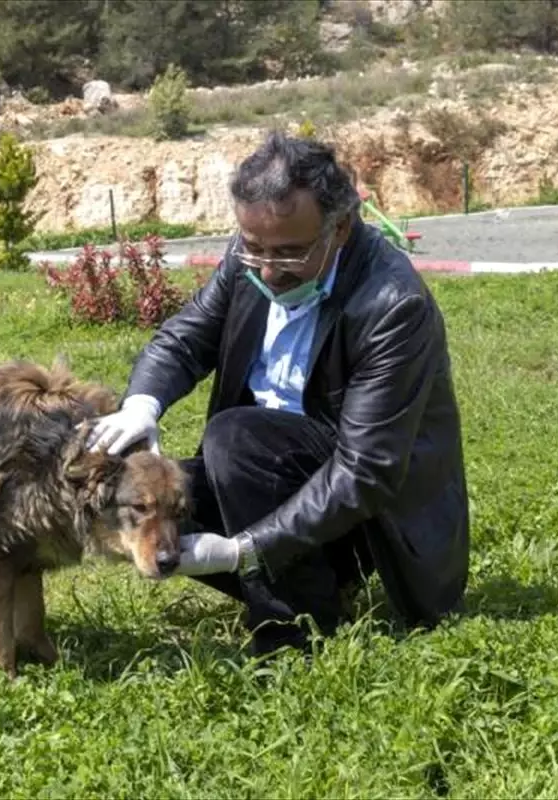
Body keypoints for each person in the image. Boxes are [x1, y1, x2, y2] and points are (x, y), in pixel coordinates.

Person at [88, 132, 470, 656]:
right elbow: (186, 336)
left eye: (289, 253)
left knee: (236, 437)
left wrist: (243, 549)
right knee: (160, 504)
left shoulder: (391, 305)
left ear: (340, 228)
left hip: (362, 522)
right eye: (254, 247)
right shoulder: (251, 255)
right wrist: (142, 405)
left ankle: (293, 632)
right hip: (260, 479)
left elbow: (366, 473)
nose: (266, 269)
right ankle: (302, 586)